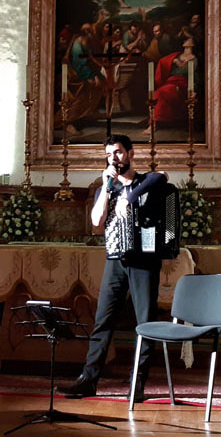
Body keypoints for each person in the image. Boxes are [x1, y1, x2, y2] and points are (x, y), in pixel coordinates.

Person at [57, 134, 167, 401]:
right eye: (108, 154)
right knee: (103, 321)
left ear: (130, 153)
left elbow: (161, 176)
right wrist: (107, 189)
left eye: (117, 152)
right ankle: (88, 379)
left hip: (144, 261)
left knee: (145, 323)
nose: (113, 158)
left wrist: (130, 197)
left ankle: (137, 383)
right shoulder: (106, 187)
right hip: (116, 259)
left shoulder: (146, 182)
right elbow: (97, 221)